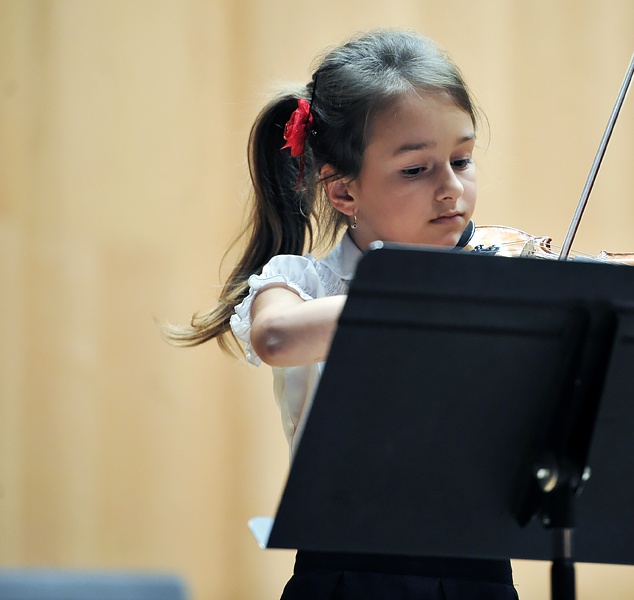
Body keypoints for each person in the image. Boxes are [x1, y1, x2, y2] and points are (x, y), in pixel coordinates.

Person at [165, 29, 518, 600]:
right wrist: (433, 297)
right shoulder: (300, 283)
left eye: (461, 159)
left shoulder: (494, 275)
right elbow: (277, 337)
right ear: (343, 192)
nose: (452, 189)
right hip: (348, 578)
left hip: (479, 576)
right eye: (415, 169)